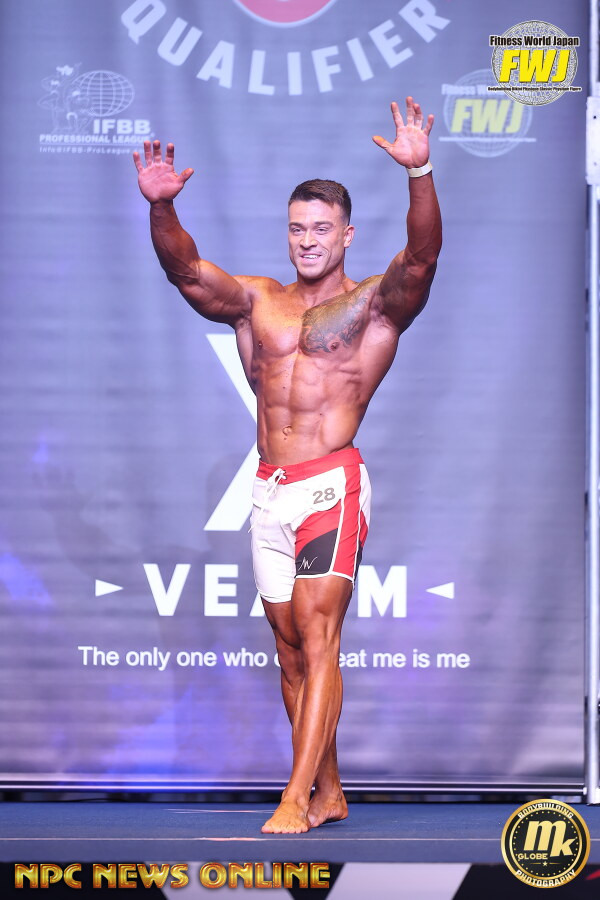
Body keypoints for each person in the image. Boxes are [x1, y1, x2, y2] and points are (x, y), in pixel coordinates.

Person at [133, 96, 441, 834]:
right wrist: (162, 209)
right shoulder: (258, 304)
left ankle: (294, 798)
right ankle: (330, 790)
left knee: (319, 634)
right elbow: (186, 273)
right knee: (291, 652)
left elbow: (422, 258)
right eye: (298, 228)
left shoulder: (374, 308)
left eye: (321, 229)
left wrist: (419, 173)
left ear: (346, 234)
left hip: (330, 485)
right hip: (268, 489)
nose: (307, 241)